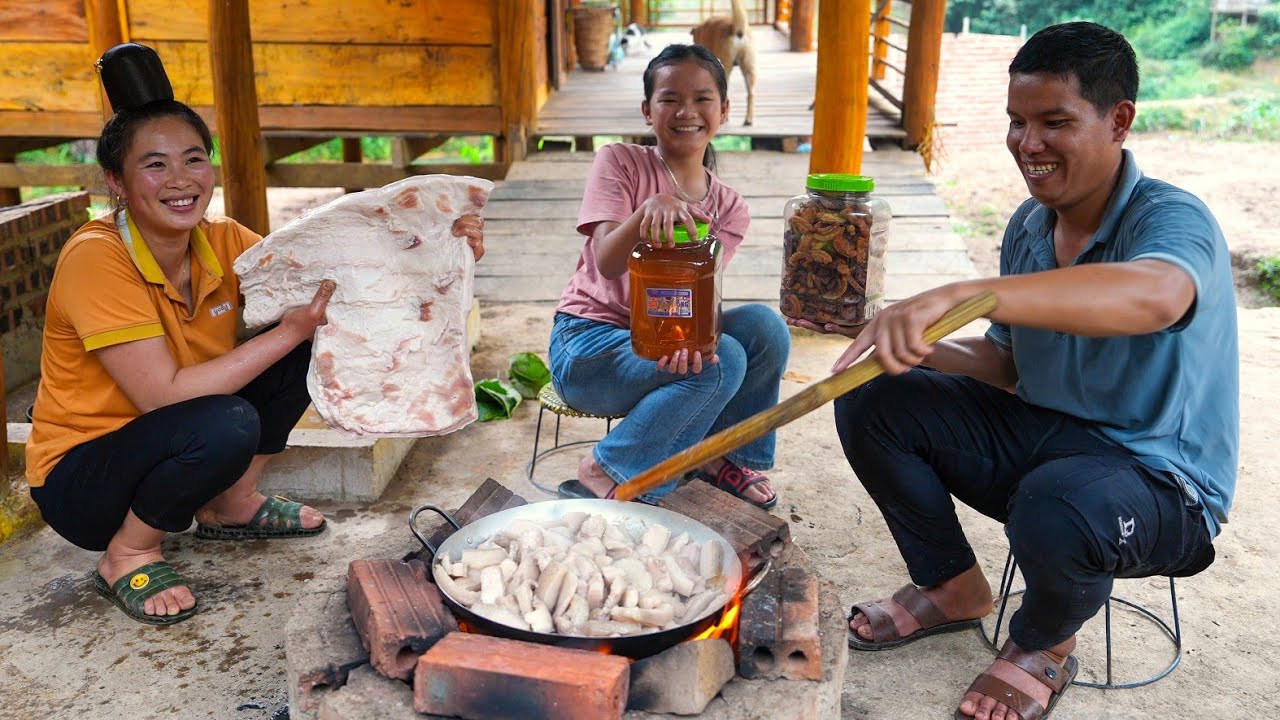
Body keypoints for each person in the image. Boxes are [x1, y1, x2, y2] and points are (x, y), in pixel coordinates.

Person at [795, 23, 1237, 719]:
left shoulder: (1172, 219)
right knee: (873, 396)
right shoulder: (1030, 227)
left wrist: (969, 294)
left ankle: (1043, 645)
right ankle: (952, 588)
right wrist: (913, 342)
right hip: (1049, 445)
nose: (1027, 144)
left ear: (1118, 120)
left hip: (1159, 485)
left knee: (1057, 502)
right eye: (1016, 122)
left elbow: (1155, 296)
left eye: (1053, 122)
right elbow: (1005, 363)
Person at [24, 44, 486, 625]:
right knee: (230, 414)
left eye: (194, 159)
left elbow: (340, 279)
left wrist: (444, 246)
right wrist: (286, 332)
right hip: (84, 482)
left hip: (170, 441)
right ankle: (129, 553)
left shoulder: (220, 238)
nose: (180, 180)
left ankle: (230, 504)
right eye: (155, 164)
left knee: (310, 341)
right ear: (116, 181)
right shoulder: (96, 257)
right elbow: (161, 397)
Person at [550, 44, 790, 508]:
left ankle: (722, 457)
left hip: (661, 337)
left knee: (764, 329)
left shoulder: (730, 208)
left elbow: (697, 296)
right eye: (669, 98)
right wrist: (646, 211)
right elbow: (606, 262)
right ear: (647, 110)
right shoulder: (619, 161)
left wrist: (682, 339)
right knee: (724, 361)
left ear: (724, 110)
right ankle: (608, 467)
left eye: (702, 98)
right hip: (590, 347)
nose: (686, 111)